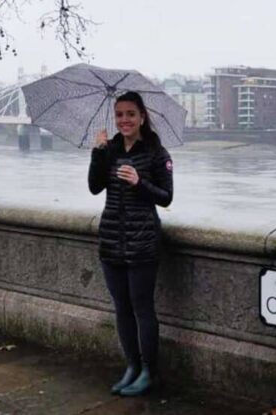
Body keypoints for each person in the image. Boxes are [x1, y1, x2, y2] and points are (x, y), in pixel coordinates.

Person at [88, 91, 173, 397]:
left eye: (130, 114)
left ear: (142, 117)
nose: (124, 120)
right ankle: (132, 367)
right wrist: (97, 153)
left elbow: (166, 197)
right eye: (119, 114)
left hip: (142, 242)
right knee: (121, 308)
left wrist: (140, 182)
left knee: (142, 308)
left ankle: (150, 372)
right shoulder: (109, 149)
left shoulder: (156, 153)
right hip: (111, 239)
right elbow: (95, 187)